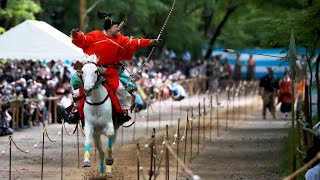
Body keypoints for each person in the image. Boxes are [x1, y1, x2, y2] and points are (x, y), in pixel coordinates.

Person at [70, 11, 159, 125]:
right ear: (110, 29)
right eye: (117, 27)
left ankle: (120, 113)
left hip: (109, 71)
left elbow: (133, 42)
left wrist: (149, 42)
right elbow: (82, 40)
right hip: (91, 69)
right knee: (80, 89)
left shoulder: (121, 39)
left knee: (120, 90)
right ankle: (76, 112)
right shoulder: (95, 35)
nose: (119, 29)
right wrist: (75, 35)